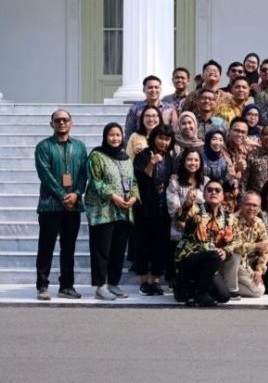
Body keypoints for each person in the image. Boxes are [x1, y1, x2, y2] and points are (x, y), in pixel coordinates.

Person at [34, 109, 88, 300]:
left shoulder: (80, 147)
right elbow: (44, 174)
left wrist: (77, 193)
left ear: (71, 123)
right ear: (52, 124)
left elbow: (83, 173)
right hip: (50, 206)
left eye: (65, 120)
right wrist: (62, 195)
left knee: (69, 248)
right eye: (57, 120)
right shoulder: (43, 147)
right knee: (46, 246)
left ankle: (67, 286)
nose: (61, 123)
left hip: (73, 206)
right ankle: (42, 285)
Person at [84, 123, 139, 300]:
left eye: (118, 135)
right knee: (102, 249)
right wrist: (113, 196)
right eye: (111, 135)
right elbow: (95, 181)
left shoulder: (126, 158)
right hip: (103, 211)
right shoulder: (97, 156)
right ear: (105, 137)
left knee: (118, 249)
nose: (115, 138)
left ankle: (113, 283)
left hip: (123, 211)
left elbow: (134, 182)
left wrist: (133, 198)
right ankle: (101, 286)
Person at [174, 179, 235, 307]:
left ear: (222, 195)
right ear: (204, 194)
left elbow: (232, 242)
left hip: (210, 262)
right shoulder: (195, 208)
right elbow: (180, 218)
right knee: (213, 255)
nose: (213, 192)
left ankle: (190, 289)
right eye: (210, 190)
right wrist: (187, 204)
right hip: (188, 258)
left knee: (224, 296)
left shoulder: (228, 217)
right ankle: (200, 293)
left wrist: (225, 251)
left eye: (217, 190)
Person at [133, 124, 175, 296]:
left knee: (160, 245)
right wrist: (151, 162)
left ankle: (156, 281)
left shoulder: (170, 159)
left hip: (163, 208)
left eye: (167, 139)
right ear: (154, 138)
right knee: (143, 244)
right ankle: (144, 281)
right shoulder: (143, 155)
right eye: (161, 138)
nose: (164, 142)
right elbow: (141, 180)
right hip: (145, 207)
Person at [166, 148, 208, 292]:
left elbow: (210, 207)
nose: (193, 163)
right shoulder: (174, 182)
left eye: (196, 160)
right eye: (189, 160)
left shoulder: (206, 181)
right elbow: (175, 211)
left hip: (203, 233)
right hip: (180, 232)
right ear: (183, 162)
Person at [231, 191, 268, 297]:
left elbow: (266, 248)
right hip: (233, 263)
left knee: (259, 290)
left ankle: (226, 286)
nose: (251, 208)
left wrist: (259, 271)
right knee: (259, 291)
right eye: (248, 204)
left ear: (259, 208)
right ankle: (228, 286)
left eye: (254, 205)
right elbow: (233, 247)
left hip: (247, 264)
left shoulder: (259, 222)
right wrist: (255, 246)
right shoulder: (232, 220)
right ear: (241, 205)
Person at [124, 75, 178, 141]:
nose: (153, 90)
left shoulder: (169, 108)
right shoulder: (135, 109)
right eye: (150, 87)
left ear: (160, 89)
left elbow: (175, 131)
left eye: (156, 87)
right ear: (144, 89)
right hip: (141, 146)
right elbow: (129, 132)